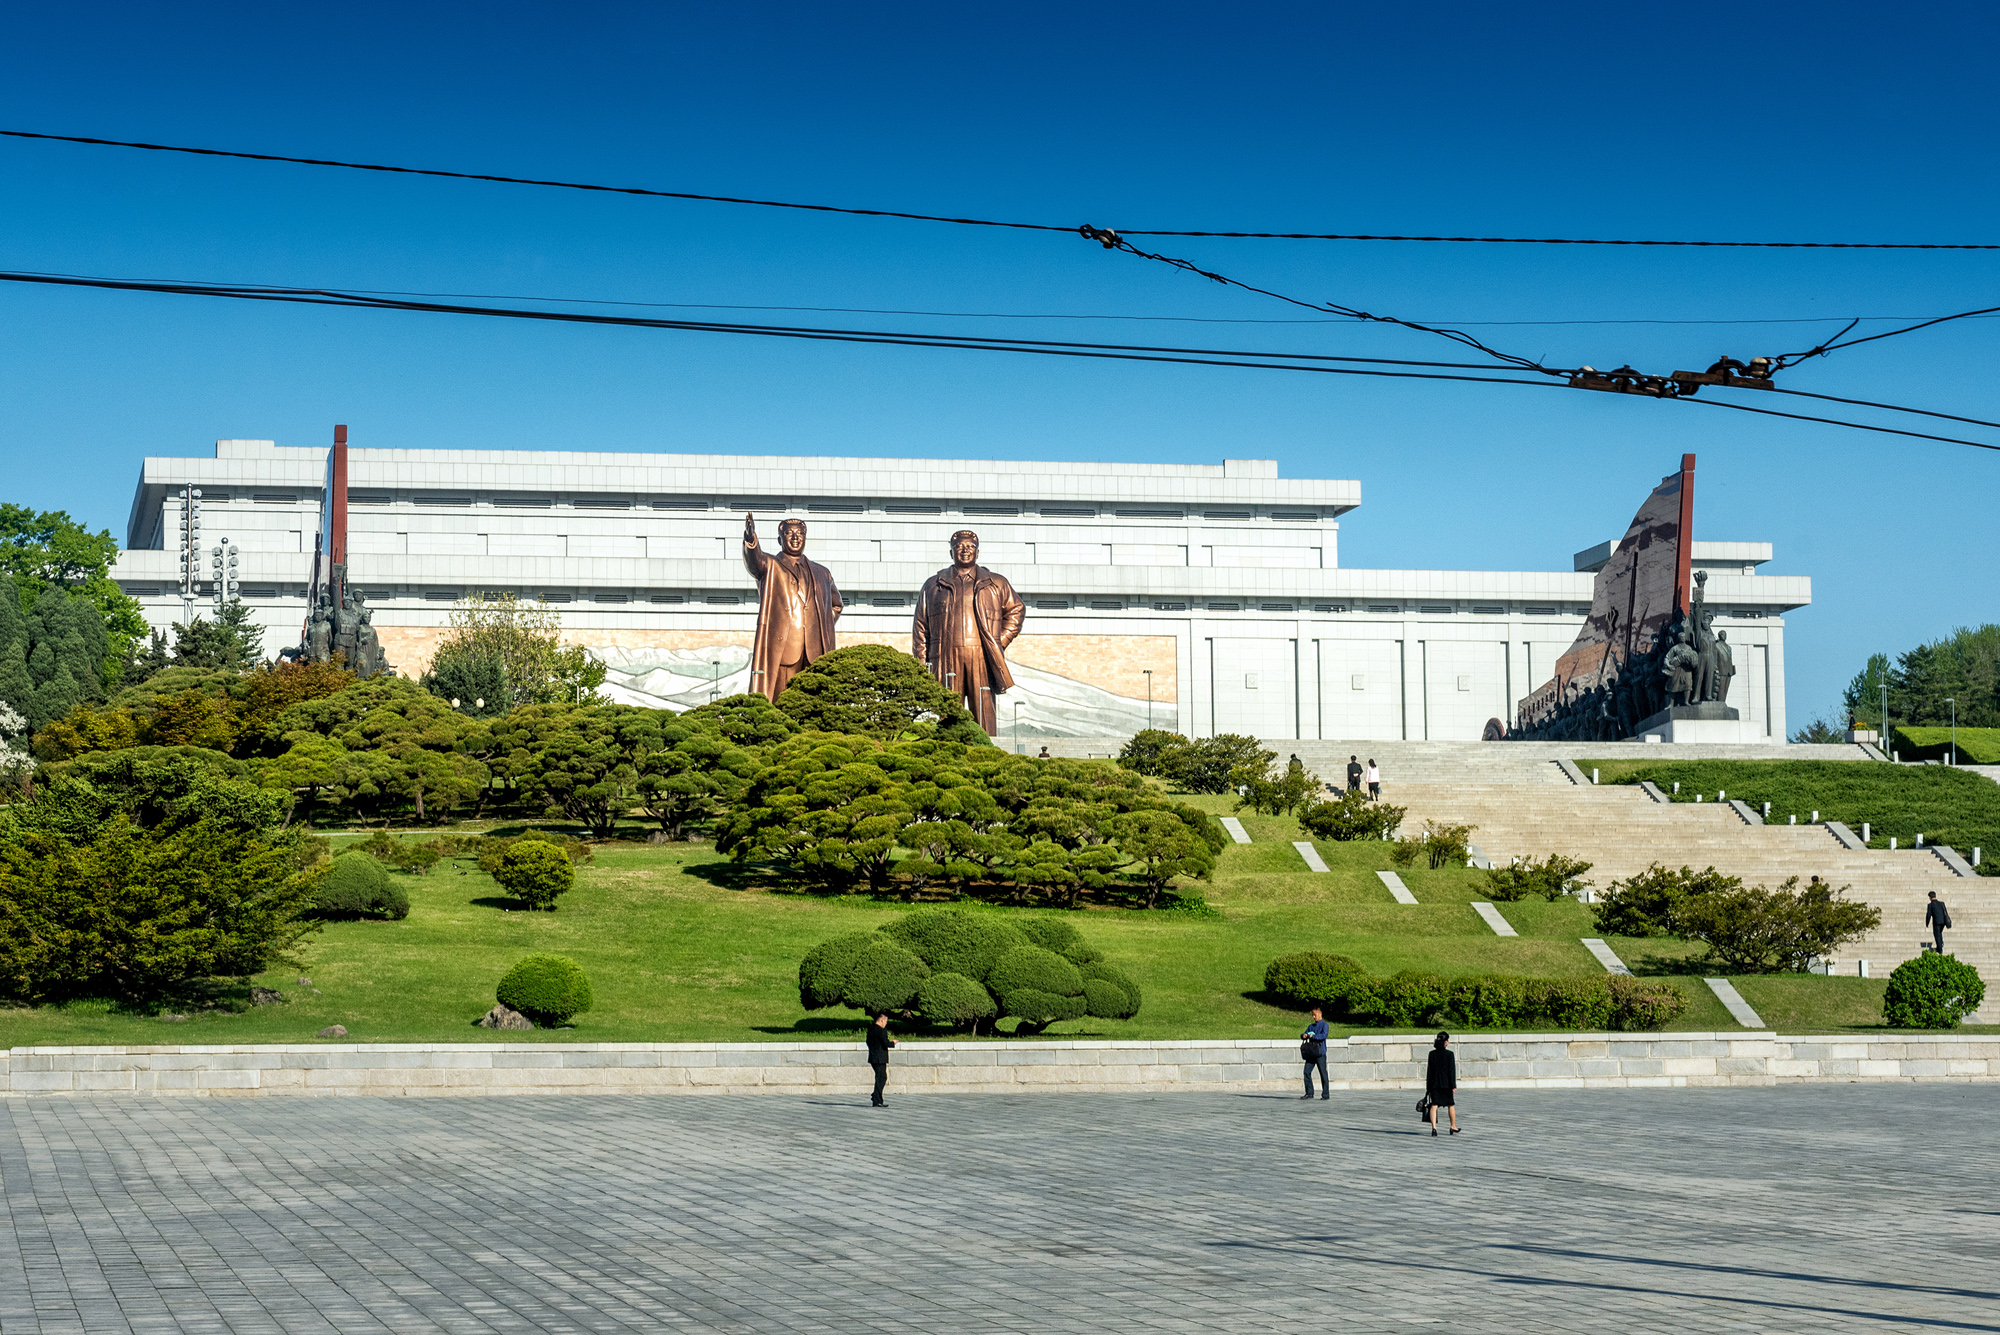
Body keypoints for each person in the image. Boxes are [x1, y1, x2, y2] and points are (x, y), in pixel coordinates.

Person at [1426, 1031, 1459, 1135]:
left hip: (1434, 1084)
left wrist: (1428, 1087)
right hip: (1446, 1084)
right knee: (1451, 1105)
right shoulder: (1449, 1054)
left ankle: (1434, 1128)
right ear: (1446, 1042)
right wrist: (1453, 1085)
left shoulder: (1432, 1054)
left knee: (1434, 1105)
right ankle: (1452, 1126)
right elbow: (1451, 1071)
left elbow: (1429, 1071)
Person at [865, 1012, 896, 1106]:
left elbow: (868, 1042)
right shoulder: (881, 1030)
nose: (886, 1023)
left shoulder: (871, 1029)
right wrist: (893, 1043)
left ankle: (876, 1096)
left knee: (880, 1077)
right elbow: (885, 1043)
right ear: (882, 1020)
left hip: (873, 1057)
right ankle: (877, 1100)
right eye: (886, 1021)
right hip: (880, 1058)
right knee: (881, 1078)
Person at [1300, 1006, 1330, 1100]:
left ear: (1320, 1014)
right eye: (1312, 1015)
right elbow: (1303, 1034)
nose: (1313, 1017)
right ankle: (1309, 1093)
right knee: (1306, 1072)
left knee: (1323, 1073)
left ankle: (1325, 1094)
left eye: (1315, 1014)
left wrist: (1313, 1036)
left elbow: (1323, 1035)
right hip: (1311, 1053)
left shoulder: (1324, 1025)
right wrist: (1304, 1035)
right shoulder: (1311, 1026)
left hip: (1320, 1053)